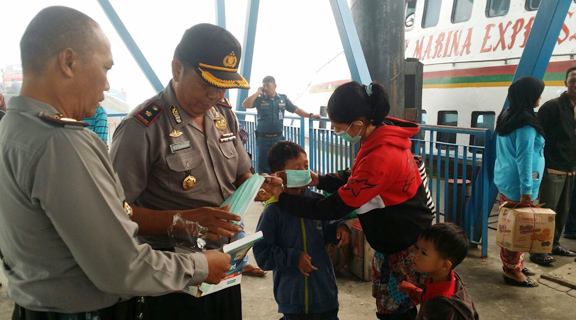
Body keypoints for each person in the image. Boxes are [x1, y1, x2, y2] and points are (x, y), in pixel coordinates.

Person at [0, 6, 236, 319]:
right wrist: (201, 264)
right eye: (106, 68)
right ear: (69, 62)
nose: (107, 85)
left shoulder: (12, 128)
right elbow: (123, 266)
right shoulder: (61, 143)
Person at [110, 23, 280, 320]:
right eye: (207, 83)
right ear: (177, 69)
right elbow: (114, 212)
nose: (215, 94)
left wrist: (259, 187)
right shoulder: (143, 128)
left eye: (223, 85)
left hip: (225, 267)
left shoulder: (223, 114)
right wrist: (183, 222)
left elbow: (241, 173)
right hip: (174, 280)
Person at [270, 81, 435, 320]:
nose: (338, 133)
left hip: (403, 242)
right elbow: (355, 176)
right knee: (391, 305)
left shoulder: (382, 157)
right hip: (395, 235)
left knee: (396, 311)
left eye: (339, 128)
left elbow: (333, 206)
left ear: (358, 124)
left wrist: (283, 198)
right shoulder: (380, 136)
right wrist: (320, 180)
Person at [253, 141, 351, 320]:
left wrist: (340, 227)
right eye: (297, 168)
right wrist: (293, 257)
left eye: (306, 166)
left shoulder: (317, 202)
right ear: (279, 175)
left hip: (325, 294)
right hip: (293, 300)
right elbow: (262, 255)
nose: (305, 173)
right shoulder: (273, 211)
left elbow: (330, 224)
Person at [493, 76, 545, 285]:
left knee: (511, 225)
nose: (540, 97)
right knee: (517, 228)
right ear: (529, 95)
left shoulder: (507, 116)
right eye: (538, 93)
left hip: (506, 179)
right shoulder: (525, 125)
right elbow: (525, 159)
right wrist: (526, 191)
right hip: (520, 185)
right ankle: (512, 271)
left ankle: (516, 264)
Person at [531, 66, 576, 265]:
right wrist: (543, 165)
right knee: (546, 212)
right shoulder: (553, 106)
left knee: (563, 210)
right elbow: (540, 136)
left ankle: (554, 244)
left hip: (570, 168)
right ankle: (538, 251)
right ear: (566, 83)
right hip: (552, 167)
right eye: (573, 80)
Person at [242, 75, 321, 174]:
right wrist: (257, 92)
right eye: (264, 86)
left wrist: (310, 115)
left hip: (278, 138)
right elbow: (245, 104)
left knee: (280, 163)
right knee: (264, 165)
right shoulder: (259, 99)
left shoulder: (282, 99)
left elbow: (296, 109)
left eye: (268, 85)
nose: (266, 88)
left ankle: (280, 186)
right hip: (263, 139)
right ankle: (265, 186)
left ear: (275, 86)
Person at [398, 223, 478, 320]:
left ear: (444, 265)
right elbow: (431, 297)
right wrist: (413, 291)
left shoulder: (443, 310)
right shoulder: (447, 278)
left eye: (423, 252)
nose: (415, 255)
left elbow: (434, 302)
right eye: (417, 248)